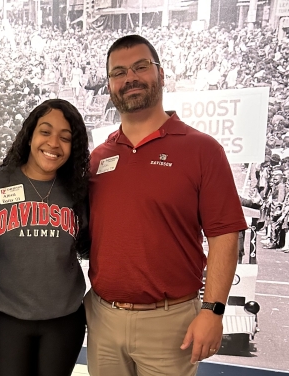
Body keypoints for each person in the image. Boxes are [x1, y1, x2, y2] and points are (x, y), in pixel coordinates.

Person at [85, 35, 247, 376]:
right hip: (102, 319)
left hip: (170, 324)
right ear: (109, 85)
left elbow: (225, 235)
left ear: (161, 74)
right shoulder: (99, 156)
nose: (130, 78)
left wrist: (214, 310)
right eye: (118, 72)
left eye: (141, 67)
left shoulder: (203, 150)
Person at [0, 99, 90, 376]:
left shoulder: (79, 192)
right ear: (29, 134)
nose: (54, 143)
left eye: (65, 138)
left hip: (64, 321)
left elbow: (87, 246)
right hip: (7, 319)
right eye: (45, 131)